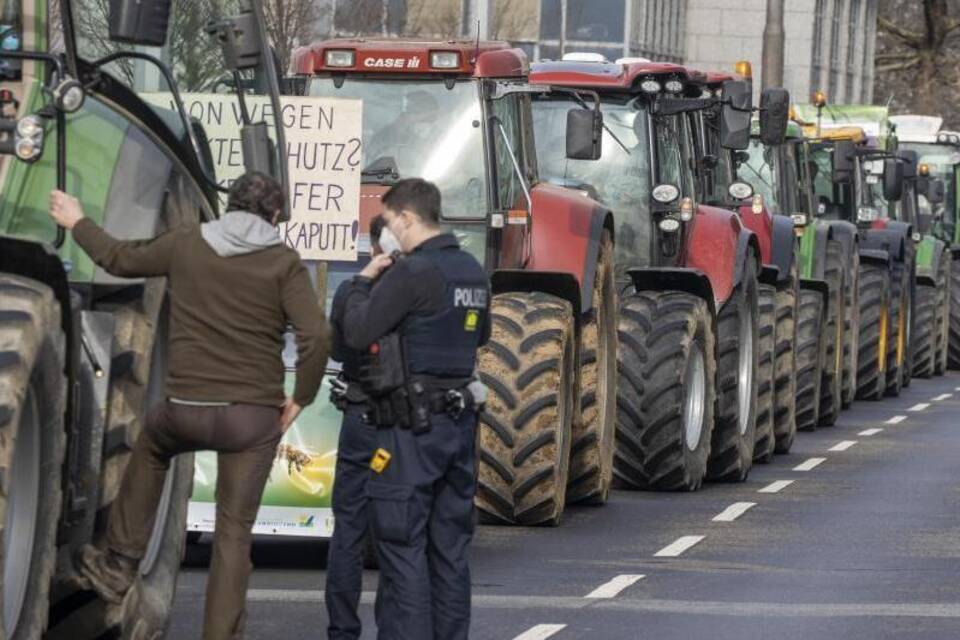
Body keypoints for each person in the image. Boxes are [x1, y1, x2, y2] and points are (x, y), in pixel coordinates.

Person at [48, 172, 329, 640]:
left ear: (229, 207)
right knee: (234, 535)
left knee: (152, 447)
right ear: (275, 216)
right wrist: (301, 396)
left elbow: (117, 258)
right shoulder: (284, 262)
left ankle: (118, 563)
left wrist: (78, 221)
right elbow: (316, 336)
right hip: (250, 418)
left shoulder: (186, 243)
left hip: (185, 410)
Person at [333, 178, 490, 640]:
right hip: (458, 429)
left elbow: (358, 331)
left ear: (405, 217)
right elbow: (480, 336)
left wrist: (362, 282)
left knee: (402, 549)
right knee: (450, 551)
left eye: (390, 222)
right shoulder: (470, 270)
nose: (390, 232)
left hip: (408, 430)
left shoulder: (413, 272)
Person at [325, 214, 390, 640]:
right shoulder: (422, 291)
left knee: (348, 526)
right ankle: (395, 627)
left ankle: (343, 630)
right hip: (403, 427)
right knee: (397, 533)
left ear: (372, 249)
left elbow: (336, 344)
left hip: (359, 417)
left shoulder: (351, 292)